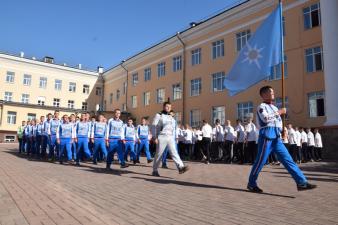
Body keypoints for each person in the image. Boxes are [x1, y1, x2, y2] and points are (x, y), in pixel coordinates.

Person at [247, 86, 316, 193]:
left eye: (273, 92)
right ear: (264, 95)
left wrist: (282, 130)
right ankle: (251, 184)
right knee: (260, 162)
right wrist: (279, 112)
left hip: (276, 138)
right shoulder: (261, 106)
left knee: (288, 160)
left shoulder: (274, 108)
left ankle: (301, 182)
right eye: (271, 92)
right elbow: (265, 119)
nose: (273, 94)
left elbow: (278, 122)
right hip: (267, 137)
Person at [152, 101, 189, 176]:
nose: (168, 108)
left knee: (174, 152)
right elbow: (153, 126)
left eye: (170, 107)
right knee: (159, 154)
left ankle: (181, 167)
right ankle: (155, 170)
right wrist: (154, 137)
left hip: (170, 137)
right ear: (163, 107)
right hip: (162, 136)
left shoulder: (171, 117)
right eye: (167, 106)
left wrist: (175, 137)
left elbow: (173, 128)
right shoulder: (159, 115)